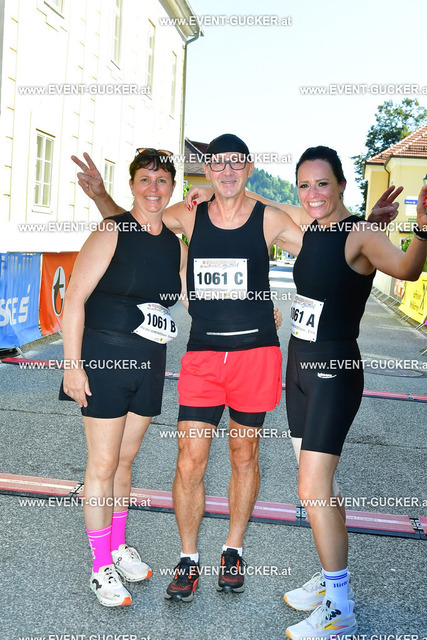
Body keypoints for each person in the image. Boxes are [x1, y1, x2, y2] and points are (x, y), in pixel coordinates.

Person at [72, 135, 397, 605]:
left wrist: (368, 226)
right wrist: (102, 197)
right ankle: (188, 558)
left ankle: (233, 550)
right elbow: (141, 220)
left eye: (235, 164)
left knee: (245, 456)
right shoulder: (189, 214)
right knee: (189, 460)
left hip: (256, 356)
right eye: (218, 164)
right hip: (203, 357)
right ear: (207, 170)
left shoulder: (270, 219)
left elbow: (326, 240)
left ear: (248, 168)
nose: (226, 171)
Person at [281, 146, 427, 639]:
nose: (312, 194)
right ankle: (330, 580)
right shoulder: (315, 230)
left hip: (333, 370)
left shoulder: (360, 233)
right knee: (322, 486)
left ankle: (340, 608)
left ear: (341, 184)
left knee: (312, 489)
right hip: (299, 367)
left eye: (322, 183)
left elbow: (406, 270)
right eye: (304, 185)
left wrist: (422, 230)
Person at [60, 149, 187, 607]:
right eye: (145, 179)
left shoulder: (175, 246)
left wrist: (255, 311)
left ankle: (116, 546)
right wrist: (71, 364)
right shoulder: (111, 230)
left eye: (162, 180)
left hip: (149, 361)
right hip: (103, 358)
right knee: (102, 463)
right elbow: (74, 299)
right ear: (132, 185)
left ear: (173, 188)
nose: (154, 188)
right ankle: (100, 567)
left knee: (125, 461)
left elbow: (196, 298)